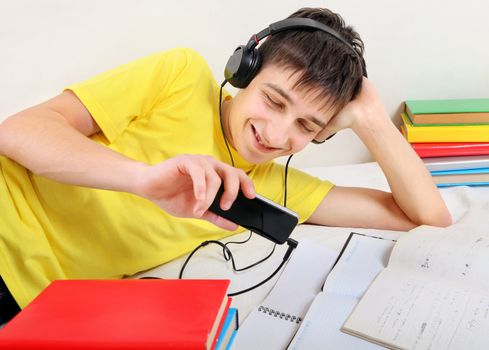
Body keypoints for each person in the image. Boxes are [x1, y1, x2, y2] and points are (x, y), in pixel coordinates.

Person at [0, 7, 451, 322]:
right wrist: (142, 179)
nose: (276, 136)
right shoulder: (182, 75)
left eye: (306, 127)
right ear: (244, 71)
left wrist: (371, 119)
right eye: (274, 101)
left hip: (25, 303)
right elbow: (18, 131)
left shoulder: (269, 187)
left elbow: (428, 216)